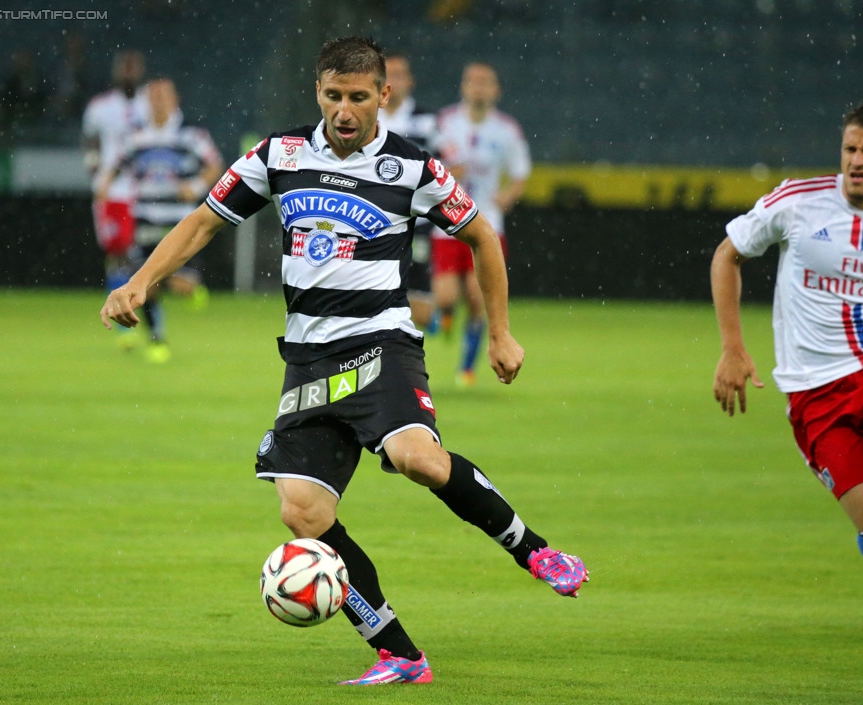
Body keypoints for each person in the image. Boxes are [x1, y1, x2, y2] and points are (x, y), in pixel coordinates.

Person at [100, 36, 587, 685]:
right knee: (302, 512)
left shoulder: (413, 168)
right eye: (334, 95)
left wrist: (499, 332)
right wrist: (140, 281)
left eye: (359, 96)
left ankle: (535, 551)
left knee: (418, 458)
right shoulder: (279, 154)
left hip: (382, 343)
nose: (345, 109)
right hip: (306, 359)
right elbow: (203, 222)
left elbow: (481, 236)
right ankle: (399, 653)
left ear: (383, 95)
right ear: (319, 93)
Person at [711, 99, 863, 616]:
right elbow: (727, 254)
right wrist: (733, 347)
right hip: (815, 393)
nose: (857, 160)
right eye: (850, 148)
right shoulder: (797, 202)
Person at [96, 78, 224, 363]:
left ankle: (188, 288)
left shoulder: (191, 134)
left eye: (163, 97)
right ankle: (156, 338)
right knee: (146, 280)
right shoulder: (136, 136)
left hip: (181, 220)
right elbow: (116, 165)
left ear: (175, 99)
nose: (158, 103)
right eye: (153, 97)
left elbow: (215, 165)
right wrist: (104, 186)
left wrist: (196, 186)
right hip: (145, 217)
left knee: (182, 283)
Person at [433, 61, 531, 386]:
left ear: (496, 90)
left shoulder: (506, 129)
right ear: (463, 87)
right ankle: (444, 318)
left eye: (485, 82)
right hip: (446, 222)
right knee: (446, 297)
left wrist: (508, 196)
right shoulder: (445, 122)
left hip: (487, 222)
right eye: (472, 81)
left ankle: (467, 367)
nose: (478, 88)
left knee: (478, 300)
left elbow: (520, 171)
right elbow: (427, 160)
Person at [82, 50, 150, 348]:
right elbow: (90, 142)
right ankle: (123, 318)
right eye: (125, 68)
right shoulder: (100, 107)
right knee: (118, 252)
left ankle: (138, 313)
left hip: (144, 191)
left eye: (133, 68)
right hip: (112, 193)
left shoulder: (149, 105)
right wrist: (97, 173)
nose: (129, 73)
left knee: (139, 253)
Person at [378, 52, 439, 330]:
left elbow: (446, 166)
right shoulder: (367, 118)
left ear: (410, 81)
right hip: (374, 221)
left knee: (422, 314)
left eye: (399, 75)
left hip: (418, 223)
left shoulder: (428, 121)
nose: (393, 81)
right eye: (388, 74)